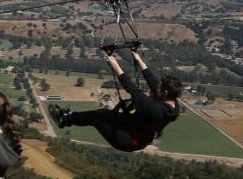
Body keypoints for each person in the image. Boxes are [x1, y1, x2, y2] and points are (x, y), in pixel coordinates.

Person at [50, 48, 181, 152]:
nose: (155, 88)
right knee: (104, 112)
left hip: (127, 140)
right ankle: (68, 116)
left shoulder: (155, 109)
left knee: (96, 118)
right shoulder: (173, 104)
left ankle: (63, 120)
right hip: (133, 130)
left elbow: (132, 89)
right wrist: (139, 60)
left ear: (165, 92)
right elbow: (154, 83)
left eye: (159, 89)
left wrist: (115, 66)